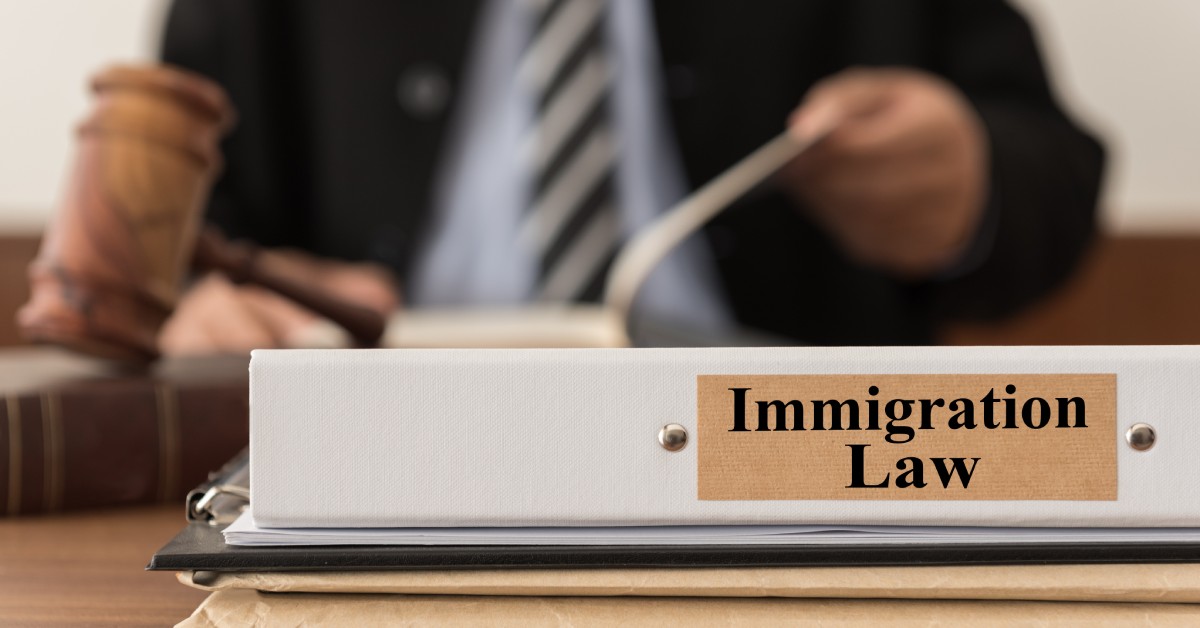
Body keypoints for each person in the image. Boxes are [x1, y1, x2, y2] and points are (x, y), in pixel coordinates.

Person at [157, 0, 1104, 353]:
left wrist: (971, 182)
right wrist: (209, 302)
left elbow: (1053, 179)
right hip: (378, 460)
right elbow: (182, 227)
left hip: (786, 471)